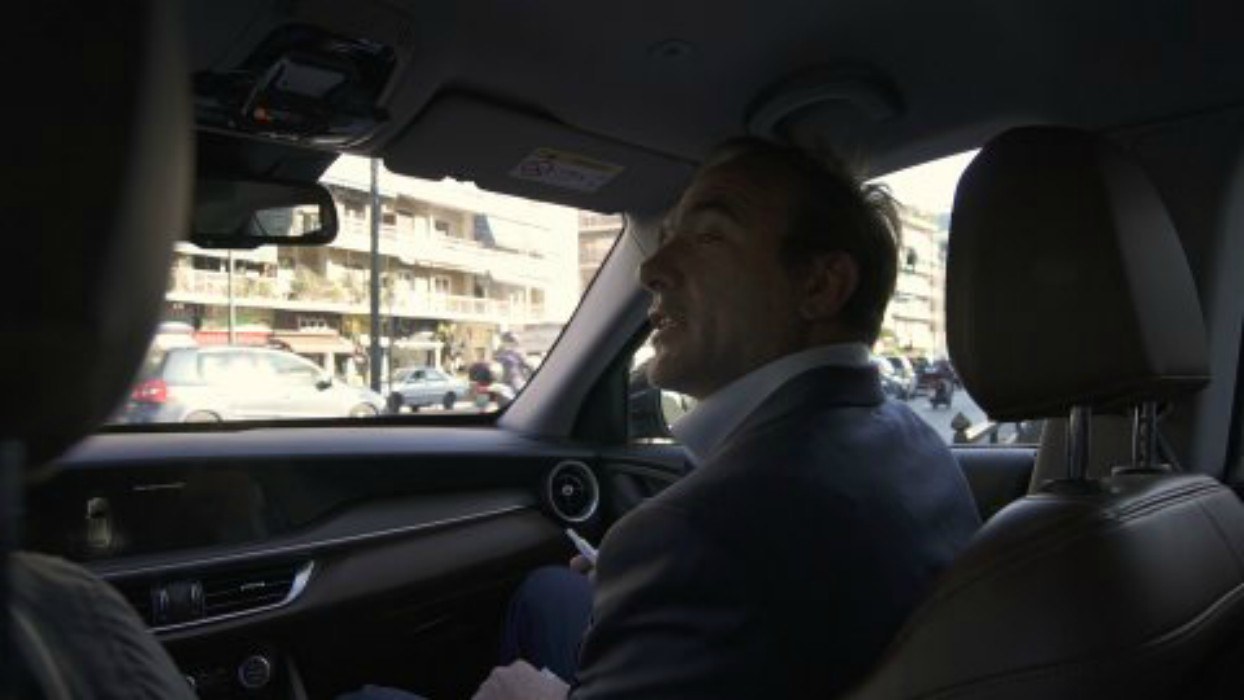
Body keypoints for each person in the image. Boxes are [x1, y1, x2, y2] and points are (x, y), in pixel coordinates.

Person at [472, 138, 981, 700]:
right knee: (548, 591)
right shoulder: (920, 445)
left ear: (820, 285)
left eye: (709, 235)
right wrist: (651, 590)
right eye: (667, 238)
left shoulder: (692, 531)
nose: (650, 270)